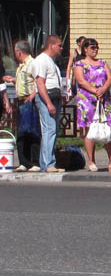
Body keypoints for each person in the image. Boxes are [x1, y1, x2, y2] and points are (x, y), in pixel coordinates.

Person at [73, 38, 111, 172]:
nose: (95, 50)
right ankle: (91, 161)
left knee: (109, 129)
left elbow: (110, 78)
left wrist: (103, 89)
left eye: (97, 47)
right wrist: (95, 91)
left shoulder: (102, 63)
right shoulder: (79, 64)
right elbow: (81, 81)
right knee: (90, 130)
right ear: (85, 49)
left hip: (104, 99)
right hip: (87, 100)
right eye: (92, 48)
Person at [32, 35, 65, 173]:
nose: (61, 48)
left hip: (55, 98)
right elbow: (40, 83)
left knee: (53, 131)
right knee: (49, 130)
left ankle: (47, 162)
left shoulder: (52, 61)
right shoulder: (41, 60)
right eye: (59, 45)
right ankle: (48, 163)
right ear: (51, 45)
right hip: (47, 98)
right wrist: (49, 103)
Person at [13, 40, 40, 172]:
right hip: (20, 101)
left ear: (19, 52)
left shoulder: (33, 63)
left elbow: (39, 81)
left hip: (29, 101)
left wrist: (32, 95)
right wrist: (13, 80)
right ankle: (24, 161)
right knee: (22, 132)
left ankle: (35, 161)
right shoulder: (21, 65)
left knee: (32, 131)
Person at [65, 36, 86, 100]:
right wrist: (68, 79)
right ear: (79, 43)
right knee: (77, 93)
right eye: (82, 42)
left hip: (85, 75)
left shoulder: (86, 52)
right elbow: (69, 66)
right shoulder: (74, 52)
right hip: (76, 76)